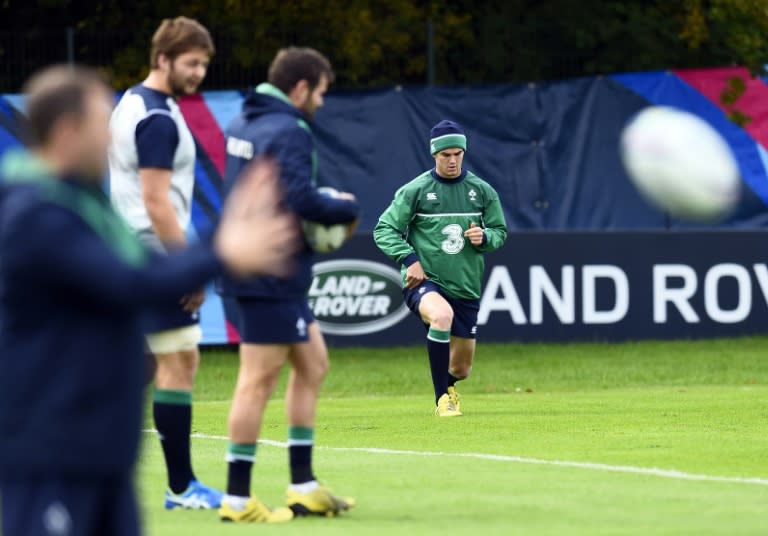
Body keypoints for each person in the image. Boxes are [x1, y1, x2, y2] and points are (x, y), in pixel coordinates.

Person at [0, 65, 299, 536]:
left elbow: (140, 271)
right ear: (66, 131)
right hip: (52, 457)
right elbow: (125, 282)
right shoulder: (35, 212)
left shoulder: (82, 203)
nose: (113, 138)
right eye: (103, 124)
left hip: (101, 459)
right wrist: (221, 251)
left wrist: (220, 247)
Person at [217, 46, 360, 523]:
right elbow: (299, 197)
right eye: (320, 92)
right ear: (300, 88)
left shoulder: (243, 121)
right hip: (269, 272)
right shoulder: (290, 129)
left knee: (314, 364)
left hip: (254, 266)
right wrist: (344, 207)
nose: (321, 101)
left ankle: (303, 486)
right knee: (256, 382)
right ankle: (237, 499)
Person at [108, 17, 221, 509]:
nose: (199, 72)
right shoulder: (156, 116)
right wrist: (185, 265)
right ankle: (182, 488)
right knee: (180, 361)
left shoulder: (132, 101)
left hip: (131, 250)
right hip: (155, 251)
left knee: (142, 364)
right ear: (163, 59)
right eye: (191, 62)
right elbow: (156, 201)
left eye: (203, 63)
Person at [373, 120, 507, 417]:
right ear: (434, 154)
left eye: (457, 154)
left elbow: (500, 231)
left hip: (466, 285)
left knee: (462, 367)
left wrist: (485, 237)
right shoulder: (416, 190)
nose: (452, 160)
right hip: (426, 281)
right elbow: (384, 229)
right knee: (441, 316)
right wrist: (409, 260)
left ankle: (449, 385)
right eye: (446, 155)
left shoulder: (482, 191)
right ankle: (442, 400)